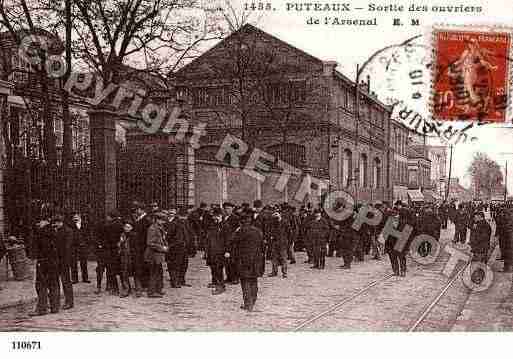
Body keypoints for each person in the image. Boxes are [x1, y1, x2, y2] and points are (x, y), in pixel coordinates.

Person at [228, 210, 264, 311]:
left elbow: (231, 241)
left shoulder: (240, 231)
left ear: (241, 222)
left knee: (245, 281)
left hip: (243, 260)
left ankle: (248, 304)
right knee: (254, 280)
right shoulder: (258, 231)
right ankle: (253, 300)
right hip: (256, 260)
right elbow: (262, 246)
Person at [29, 214, 60, 316]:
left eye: (40, 221)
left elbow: (39, 248)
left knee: (41, 284)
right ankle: (54, 307)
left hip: (43, 262)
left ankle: (42, 308)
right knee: (53, 284)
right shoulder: (55, 231)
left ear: (44, 221)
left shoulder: (42, 233)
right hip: (54, 262)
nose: (38, 224)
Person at [52, 214, 74, 310]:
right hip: (55, 260)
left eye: (56, 223)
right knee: (55, 281)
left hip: (64, 260)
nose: (55, 225)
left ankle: (69, 301)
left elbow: (67, 247)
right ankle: (55, 301)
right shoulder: (55, 230)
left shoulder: (68, 231)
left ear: (61, 222)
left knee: (66, 281)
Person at [145, 212, 169, 298]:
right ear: (157, 220)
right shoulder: (152, 228)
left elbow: (162, 239)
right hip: (152, 255)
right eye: (162, 220)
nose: (164, 222)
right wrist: (162, 248)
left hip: (158, 255)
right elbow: (150, 243)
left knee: (159, 272)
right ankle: (151, 292)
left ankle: (158, 289)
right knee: (153, 273)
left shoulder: (160, 227)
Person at [166, 207, 191, 288]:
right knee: (175, 265)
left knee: (184, 264)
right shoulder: (174, 223)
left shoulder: (186, 223)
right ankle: (174, 282)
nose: (184, 218)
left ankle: (181, 280)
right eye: (183, 216)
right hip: (176, 247)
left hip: (184, 247)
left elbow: (189, 234)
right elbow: (169, 236)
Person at [132, 202, 152, 296]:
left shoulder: (146, 220)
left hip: (143, 246)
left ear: (141, 209)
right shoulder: (139, 219)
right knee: (140, 265)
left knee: (144, 265)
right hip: (138, 246)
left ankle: (145, 284)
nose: (136, 211)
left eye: (137, 209)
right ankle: (143, 284)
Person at [206, 208, 227, 294]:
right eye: (214, 216)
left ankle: (220, 286)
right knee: (213, 267)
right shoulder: (213, 225)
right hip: (212, 250)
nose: (214, 218)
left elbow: (227, 239)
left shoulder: (224, 226)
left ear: (221, 216)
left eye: (216, 216)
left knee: (218, 269)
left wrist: (227, 251)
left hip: (220, 251)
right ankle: (215, 282)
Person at [221, 202, 240, 284]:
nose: (227, 210)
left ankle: (235, 278)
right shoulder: (223, 218)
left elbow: (238, 230)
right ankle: (229, 277)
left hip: (233, 243)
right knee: (226, 261)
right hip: (225, 242)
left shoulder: (236, 218)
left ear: (232, 209)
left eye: (229, 208)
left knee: (233, 261)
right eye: (225, 209)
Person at [69, 213, 90, 284]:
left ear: (80, 217)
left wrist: (86, 242)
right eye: (74, 217)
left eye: (76, 217)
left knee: (84, 262)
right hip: (74, 246)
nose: (75, 219)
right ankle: (74, 279)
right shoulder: (71, 225)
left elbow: (88, 234)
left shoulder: (85, 224)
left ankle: (85, 278)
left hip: (83, 245)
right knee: (73, 262)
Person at [268, 211, 289, 278]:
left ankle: (284, 273)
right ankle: (274, 271)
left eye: (277, 216)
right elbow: (271, 231)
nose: (276, 219)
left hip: (283, 243)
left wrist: (288, 241)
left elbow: (289, 232)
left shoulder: (285, 222)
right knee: (274, 258)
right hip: (275, 242)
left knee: (283, 258)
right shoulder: (273, 223)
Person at [118, 222, 135, 298]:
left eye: (128, 227)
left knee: (135, 272)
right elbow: (119, 246)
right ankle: (126, 289)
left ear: (131, 228)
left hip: (132, 256)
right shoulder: (122, 235)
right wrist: (120, 243)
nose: (126, 228)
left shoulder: (134, 235)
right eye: (125, 227)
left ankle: (138, 289)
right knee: (124, 273)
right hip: (124, 256)